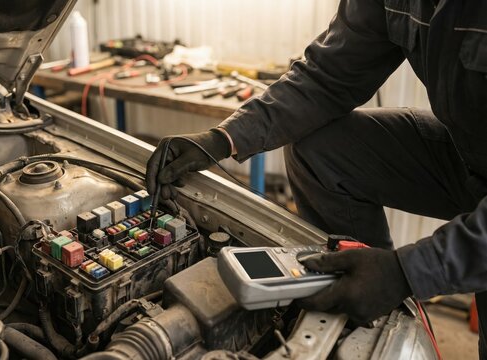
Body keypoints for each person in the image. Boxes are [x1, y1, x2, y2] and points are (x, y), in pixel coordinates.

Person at [146, 0, 487, 356]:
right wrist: (222, 139)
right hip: (467, 150)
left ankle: (381, 290)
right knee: (320, 148)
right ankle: (359, 303)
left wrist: (407, 272)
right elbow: (327, 76)